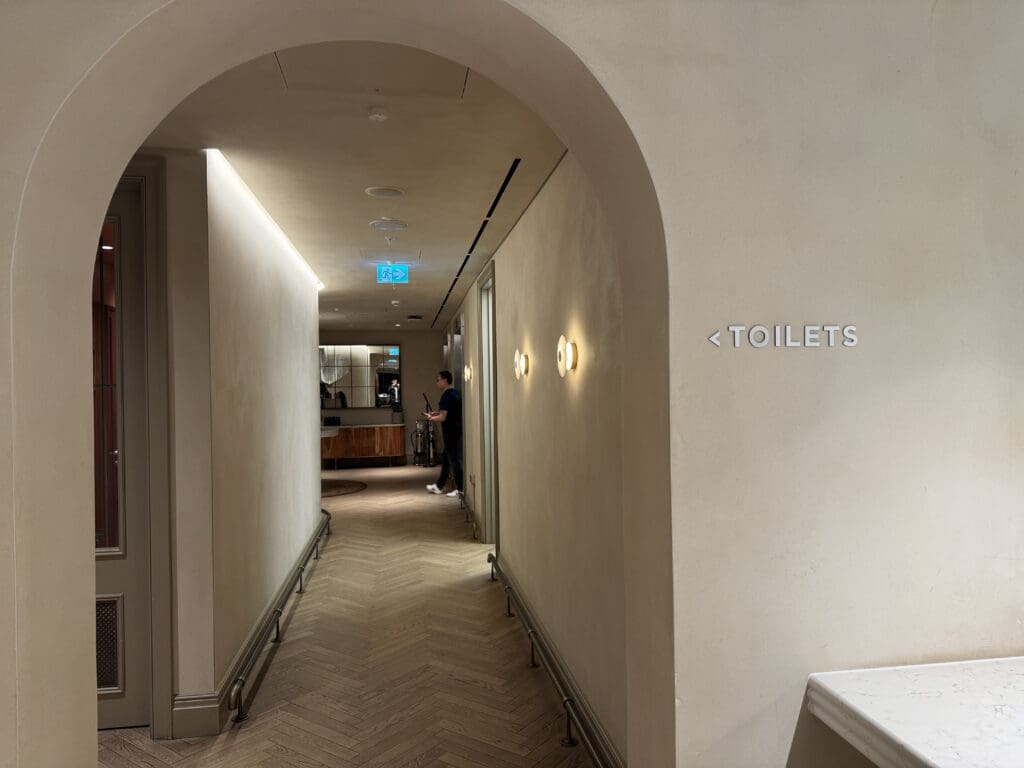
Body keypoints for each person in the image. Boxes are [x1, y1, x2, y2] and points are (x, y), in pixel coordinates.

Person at [424, 370, 462, 497]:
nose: (437, 382)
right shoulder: (455, 393)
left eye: (438, 379)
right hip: (457, 430)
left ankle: (460, 489)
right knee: (446, 459)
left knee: (454, 460)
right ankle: (439, 486)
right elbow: (448, 413)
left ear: (445, 380)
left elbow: (443, 417)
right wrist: (436, 414)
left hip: (449, 432)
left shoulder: (446, 396)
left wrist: (431, 418)